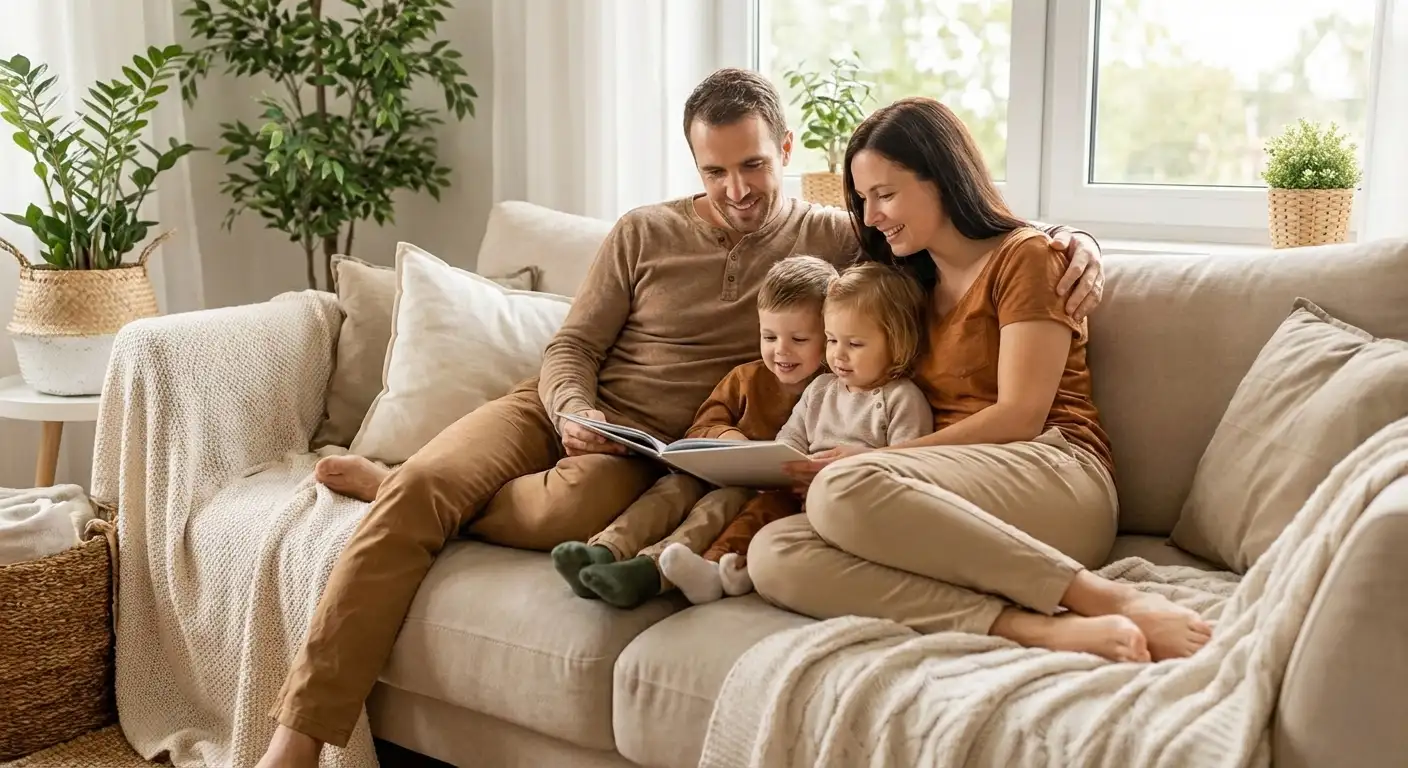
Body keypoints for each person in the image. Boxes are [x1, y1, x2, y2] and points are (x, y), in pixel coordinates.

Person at [256, 69, 1108, 767]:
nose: (736, 190)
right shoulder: (642, 233)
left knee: (556, 513)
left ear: (785, 151)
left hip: (666, 453)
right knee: (432, 488)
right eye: (714, 171)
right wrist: (571, 408)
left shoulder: (849, 241)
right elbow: (569, 347)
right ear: (694, 165)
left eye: (753, 167)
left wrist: (1079, 242)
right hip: (572, 409)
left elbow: (977, 241)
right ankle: (298, 739)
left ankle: (409, 489)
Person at [747, 96, 1213, 665]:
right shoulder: (902, 284)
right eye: (864, 199)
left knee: (844, 487)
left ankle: (1109, 598)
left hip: (1052, 470)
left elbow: (1020, 415)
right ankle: (1029, 627)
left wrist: (877, 463)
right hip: (946, 492)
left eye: (886, 194)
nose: (870, 217)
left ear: (944, 179)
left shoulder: (1029, 259)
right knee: (773, 551)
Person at [550, 254, 838, 609]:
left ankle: (649, 572)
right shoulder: (744, 379)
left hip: (762, 499)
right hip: (714, 476)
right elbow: (703, 424)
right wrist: (731, 441)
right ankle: (603, 552)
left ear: (829, 337)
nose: (781, 350)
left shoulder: (832, 394)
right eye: (769, 336)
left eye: (798, 338)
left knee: (721, 503)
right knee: (672, 487)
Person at [661, 260, 934, 603]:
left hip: (852, 499)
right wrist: (781, 464)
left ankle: (740, 570)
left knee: (789, 534)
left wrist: (852, 466)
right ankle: (716, 569)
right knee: (761, 509)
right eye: (833, 341)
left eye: (855, 344)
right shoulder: (821, 388)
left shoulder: (902, 398)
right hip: (797, 491)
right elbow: (790, 437)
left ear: (897, 344)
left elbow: (913, 464)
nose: (838, 355)